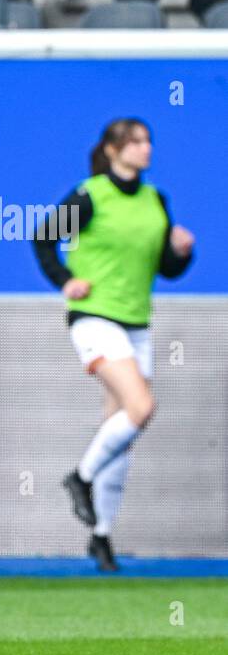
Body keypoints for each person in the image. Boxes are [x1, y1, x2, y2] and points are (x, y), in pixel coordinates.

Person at [32, 118, 193, 572]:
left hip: (137, 321)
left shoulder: (154, 199)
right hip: (96, 315)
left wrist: (181, 252)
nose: (146, 149)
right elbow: (44, 237)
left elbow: (165, 267)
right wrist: (65, 280)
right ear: (112, 149)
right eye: (136, 142)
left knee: (121, 427)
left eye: (148, 142)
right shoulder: (90, 195)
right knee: (141, 407)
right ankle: (79, 478)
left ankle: (100, 537)